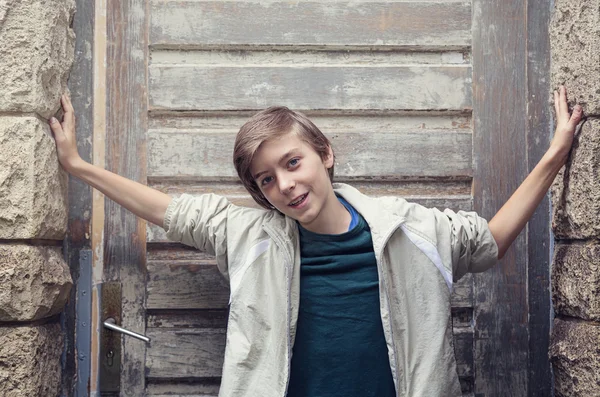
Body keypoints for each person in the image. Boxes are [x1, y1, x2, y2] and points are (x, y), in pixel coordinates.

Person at [49, 87, 583, 397]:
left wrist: (556, 156)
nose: (284, 185)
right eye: (265, 179)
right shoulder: (248, 235)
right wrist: (76, 165)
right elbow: (166, 209)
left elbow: (489, 240)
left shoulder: (410, 230)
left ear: (324, 153)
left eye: (291, 162)